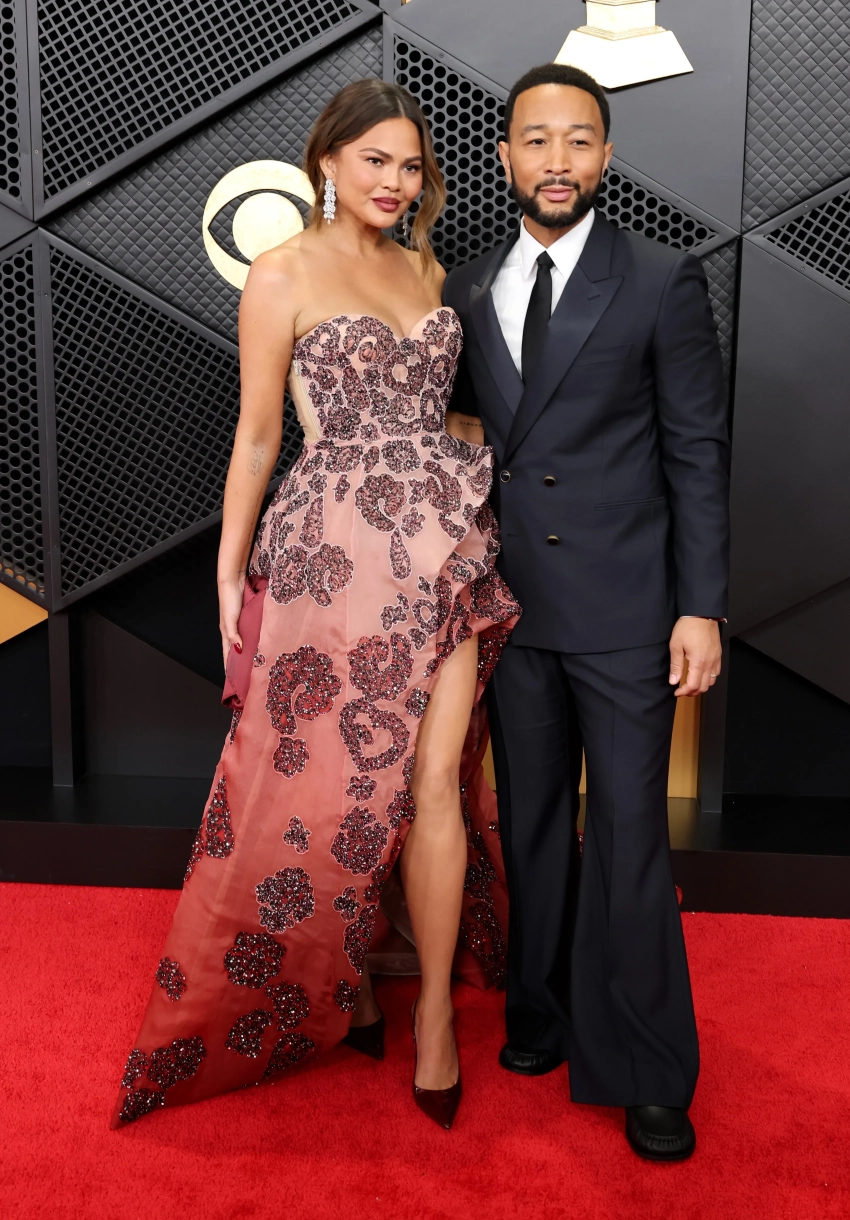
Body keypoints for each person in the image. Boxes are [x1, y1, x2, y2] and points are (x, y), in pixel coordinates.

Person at [113, 79, 519, 1132]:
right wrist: (227, 575)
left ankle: (433, 1014)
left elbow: (445, 416)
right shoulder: (282, 269)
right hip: (332, 557)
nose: (395, 181)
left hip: (441, 549)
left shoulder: (427, 270)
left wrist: (476, 478)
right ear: (327, 161)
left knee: (435, 778)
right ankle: (344, 985)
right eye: (375, 159)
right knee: (336, 785)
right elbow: (259, 435)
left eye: (411, 165)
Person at [443, 63, 729, 1161]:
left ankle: (648, 1068)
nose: (555, 161)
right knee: (526, 825)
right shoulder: (469, 285)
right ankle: (541, 1012)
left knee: (627, 832)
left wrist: (700, 607)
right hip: (515, 612)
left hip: (625, 608)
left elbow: (695, 451)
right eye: (535, 140)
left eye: (577, 140)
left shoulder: (659, 277)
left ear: (606, 156)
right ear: (505, 155)